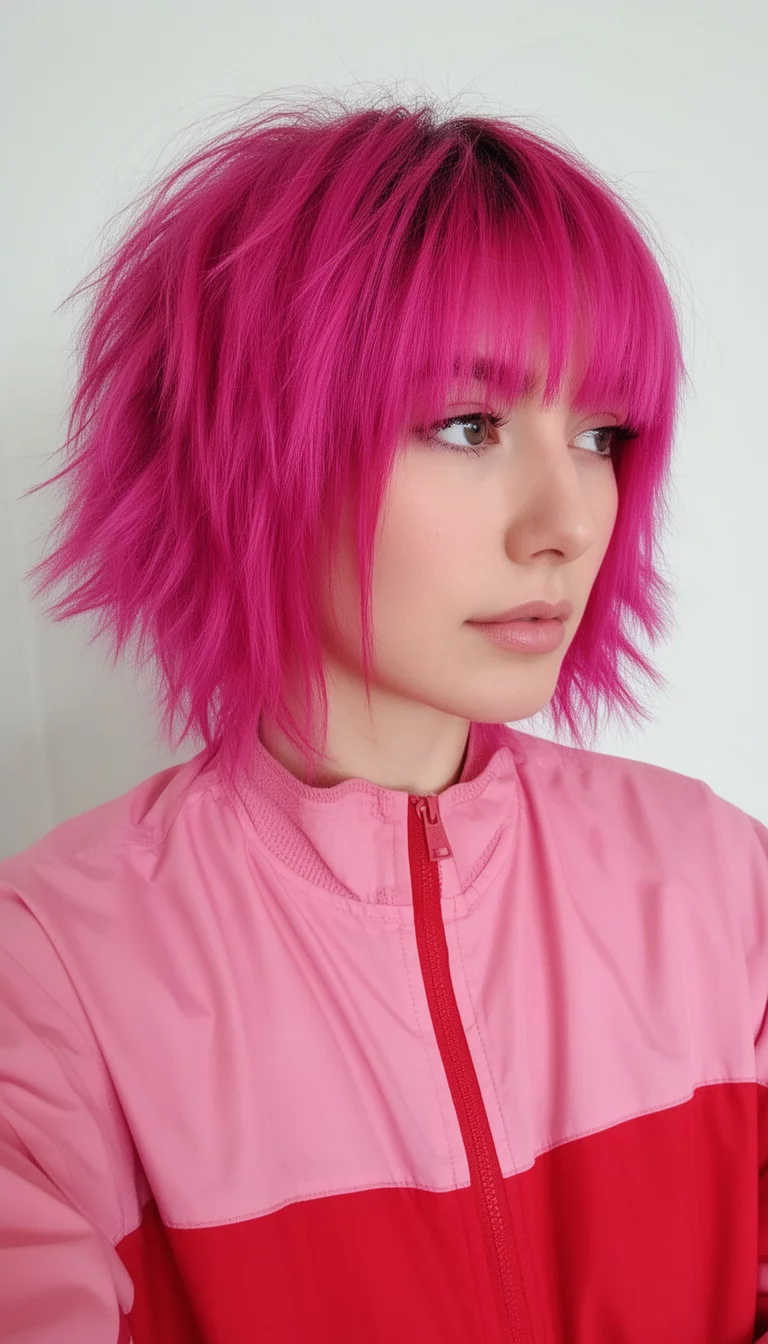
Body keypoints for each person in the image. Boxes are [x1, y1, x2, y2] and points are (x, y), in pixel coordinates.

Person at [1, 91, 766, 1344]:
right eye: (469, 424)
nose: (567, 520)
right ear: (251, 444)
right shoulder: (48, 973)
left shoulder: (718, 880)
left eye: (600, 432)